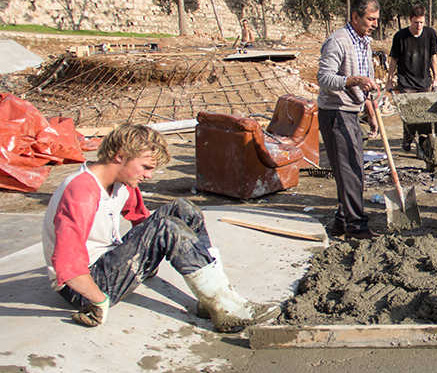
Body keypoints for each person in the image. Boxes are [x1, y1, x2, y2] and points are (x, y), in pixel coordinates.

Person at [41, 123, 279, 333]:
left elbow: (141, 220)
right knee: (167, 228)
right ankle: (228, 311)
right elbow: (66, 265)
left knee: (183, 210)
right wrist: (98, 300)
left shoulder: (121, 181)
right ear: (119, 156)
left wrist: (145, 255)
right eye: (145, 167)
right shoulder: (82, 192)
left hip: (106, 264)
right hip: (83, 288)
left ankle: (214, 298)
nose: (150, 175)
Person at [317, 0, 381, 240]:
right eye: (370, 19)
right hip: (335, 112)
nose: (374, 23)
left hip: (353, 111)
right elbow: (323, 78)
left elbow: (367, 83)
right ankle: (357, 227)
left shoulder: (365, 42)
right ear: (355, 16)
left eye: (376, 19)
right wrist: (353, 80)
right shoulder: (337, 41)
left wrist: (370, 110)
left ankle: (342, 222)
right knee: (351, 169)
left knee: (352, 169)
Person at [387, 4, 437, 154]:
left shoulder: (430, 34)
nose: (419, 26)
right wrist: (389, 80)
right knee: (410, 117)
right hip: (406, 82)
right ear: (410, 20)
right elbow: (394, 60)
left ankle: (422, 145)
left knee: (424, 116)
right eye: (416, 22)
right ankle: (408, 137)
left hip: (424, 81)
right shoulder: (400, 37)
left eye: (422, 22)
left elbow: (433, 57)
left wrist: (436, 78)